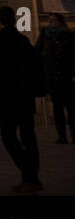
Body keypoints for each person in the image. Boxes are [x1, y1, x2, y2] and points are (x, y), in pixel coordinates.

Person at [0, 5, 42, 194]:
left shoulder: (4, 42)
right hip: (25, 98)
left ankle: (29, 175)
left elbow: (0, 74)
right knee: (29, 138)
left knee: (9, 138)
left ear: (0, 20)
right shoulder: (23, 41)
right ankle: (32, 178)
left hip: (9, 98)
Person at [38, 13, 73, 143]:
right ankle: (62, 136)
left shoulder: (69, 35)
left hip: (67, 77)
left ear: (60, 22)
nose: (50, 22)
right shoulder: (45, 35)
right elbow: (38, 51)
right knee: (57, 108)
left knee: (71, 107)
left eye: (53, 20)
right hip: (53, 78)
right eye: (50, 20)